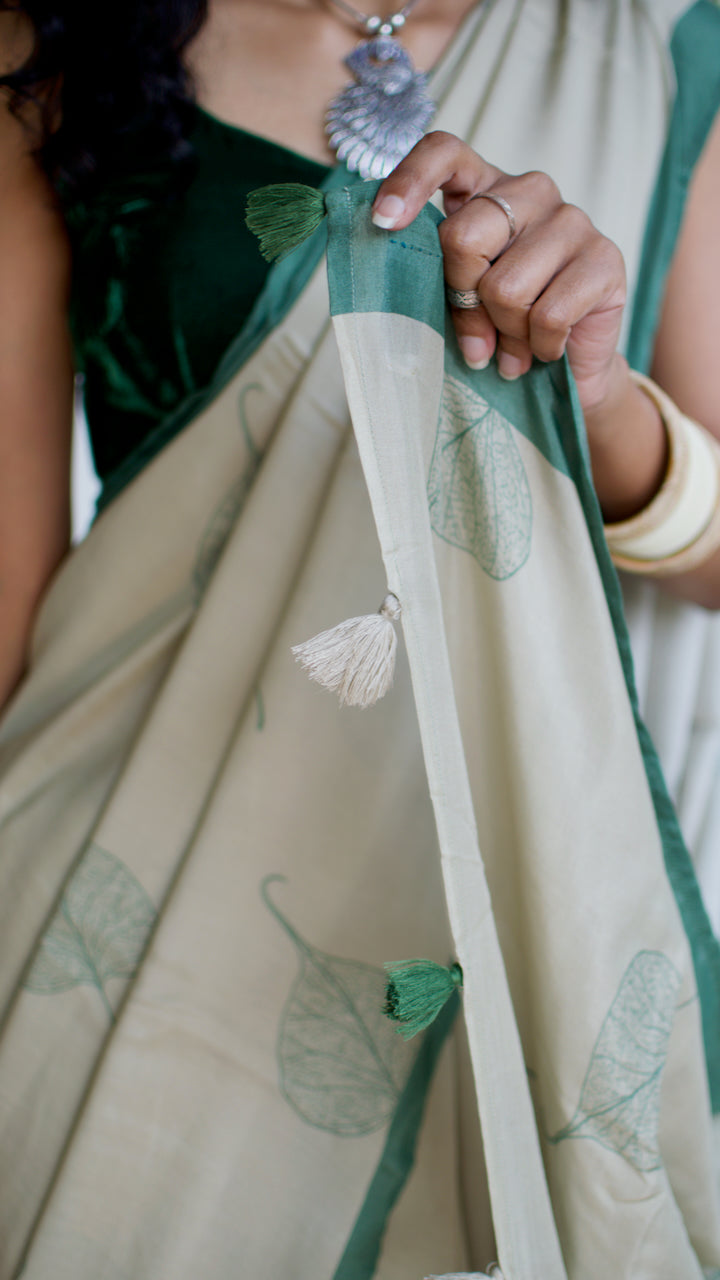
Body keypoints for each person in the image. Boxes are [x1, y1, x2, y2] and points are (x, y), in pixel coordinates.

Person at [0, 1, 719, 1276]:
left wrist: (595, 402)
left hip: (513, 917)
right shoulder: (60, 35)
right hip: (105, 909)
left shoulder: (659, 52)